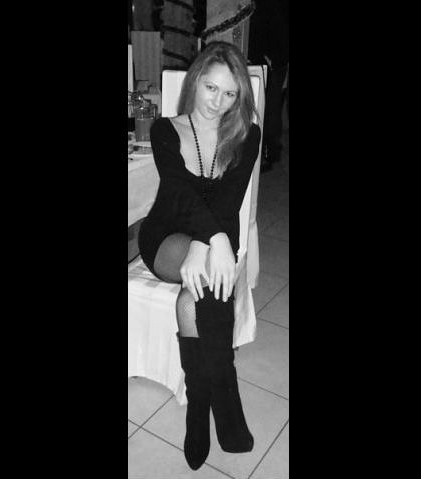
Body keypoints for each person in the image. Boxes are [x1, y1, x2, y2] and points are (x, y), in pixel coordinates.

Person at [138, 41, 261, 470]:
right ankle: (226, 396)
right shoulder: (164, 129)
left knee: (195, 298)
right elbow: (177, 191)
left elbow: (229, 199)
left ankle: (199, 407)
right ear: (195, 81)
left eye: (230, 94)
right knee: (209, 271)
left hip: (216, 238)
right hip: (165, 237)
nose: (218, 102)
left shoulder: (246, 133)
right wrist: (205, 243)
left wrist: (209, 243)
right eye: (211, 88)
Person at [248, 0, 289, 172]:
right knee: (272, 106)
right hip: (273, 58)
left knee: (269, 107)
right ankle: (271, 151)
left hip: (270, 59)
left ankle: (268, 152)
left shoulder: (268, 6)